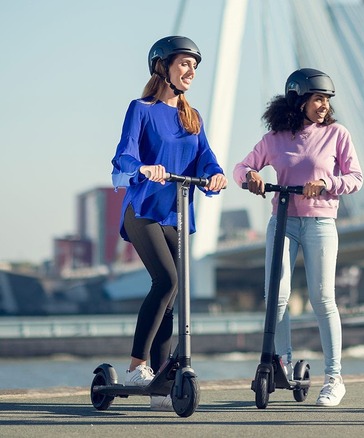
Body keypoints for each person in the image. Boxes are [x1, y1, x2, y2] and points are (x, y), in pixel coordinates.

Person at [110, 35, 228, 411]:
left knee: (172, 297)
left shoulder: (192, 117)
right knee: (168, 280)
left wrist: (216, 175)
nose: (191, 70)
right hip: (143, 209)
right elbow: (123, 157)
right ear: (162, 67)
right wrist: (144, 168)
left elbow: (205, 159)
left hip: (176, 213)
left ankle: (160, 379)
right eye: (184, 63)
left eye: (195, 65)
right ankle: (136, 367)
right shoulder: (141, 109)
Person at [233, 68, 363, 407]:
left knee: (323, 299)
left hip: (321, 222)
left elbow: (355, 178)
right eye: (318, 98)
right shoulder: (275, 139)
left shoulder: (337, 134)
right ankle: (283, 362)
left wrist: (328, 184)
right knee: (277, 295)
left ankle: (334, 379)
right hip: (283, 221)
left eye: (327, 99)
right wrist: (251, 178)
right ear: (299, 100)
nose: (324, 105)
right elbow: (241, 168)